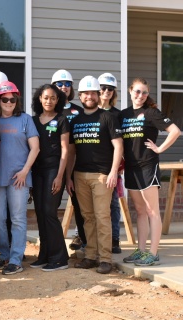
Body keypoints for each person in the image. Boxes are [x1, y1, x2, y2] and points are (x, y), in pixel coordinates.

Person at [120, 78, 180, 266]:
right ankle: (141, 250)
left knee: (153, 211)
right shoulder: (124, 115)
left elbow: (175, 131)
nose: (140, 96)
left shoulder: (151, 112)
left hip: (147, 165)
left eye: (144, 92)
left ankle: (153, 253)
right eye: (137, 92)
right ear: (130, 91)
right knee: (140, 210)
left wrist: (160, 149)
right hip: (130, 167)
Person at [66, 76, 123, 274]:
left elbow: (118, 146)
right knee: (87, 217)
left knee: (102, 216)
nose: (89, 96)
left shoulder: (108, 117)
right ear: (80, 96)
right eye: (85, 93)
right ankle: (90, 256)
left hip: (102, 175)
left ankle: (105, 259)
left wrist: (114, 172)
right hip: (80, 175)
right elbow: (71, 152)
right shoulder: (76, 119)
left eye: (93, 93)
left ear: (98, 95)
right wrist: (68, 177)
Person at [0, 81, 39, 275]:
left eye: (13, 99)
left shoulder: (25, 119)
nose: (9, 102)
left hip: (19, 177)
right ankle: (3, 253)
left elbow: (35, 148)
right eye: (5, 99)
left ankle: (16, 258)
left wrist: (25, 171)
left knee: (18, 219)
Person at [30, 84, 69, 271]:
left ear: (58, 100)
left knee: (49, 212)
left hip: (54, 170)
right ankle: (44, 254)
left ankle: (60, 257)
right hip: (37, 172)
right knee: (40, 213)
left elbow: (65, 150)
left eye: (53, 98)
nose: (49, 101)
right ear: (40, 98)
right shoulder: (33, 120)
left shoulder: (62, 119)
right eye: (46, 97)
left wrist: (60, 176)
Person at [51, 69, 86, 251]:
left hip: (75, 163)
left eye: (67, 84)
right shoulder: (47, 110)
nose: (63, 87)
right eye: (59, 84)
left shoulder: (78, 111)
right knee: (52, 205)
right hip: (53, 164)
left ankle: (82, 237)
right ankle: (53, 243)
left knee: (79, 204)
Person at [98, 73, 124, 254]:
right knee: (87, 205)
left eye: (110, 89)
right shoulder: (90, 112)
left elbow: (123, 143)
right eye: (103, 88)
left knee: (113, 204)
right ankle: (83, 237)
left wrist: (118, 168)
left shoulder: (118, 115)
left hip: (112, 167)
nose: (106, 91)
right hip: (92, 166)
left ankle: (115, 239)